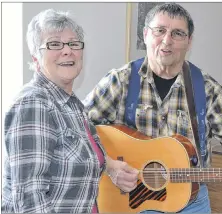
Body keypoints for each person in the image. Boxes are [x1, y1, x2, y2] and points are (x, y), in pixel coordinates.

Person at [83, 3, 222, 213]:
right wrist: (110, 165)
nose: (167, 40)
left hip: (191, 202)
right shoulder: (119, 81)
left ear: (189, 42)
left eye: (177, 33)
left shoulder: (207, 89)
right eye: (159, 30)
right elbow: (78, 130)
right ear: (145, 35)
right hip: (129, 200)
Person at [1, 9, 138, 213]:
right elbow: (30, 201)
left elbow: (76, 158)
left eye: (74, 43)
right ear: (36, 57)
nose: (67, 51)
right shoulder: (34, 104)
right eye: (54, 44)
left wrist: (110, 167)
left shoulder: (72, 105)